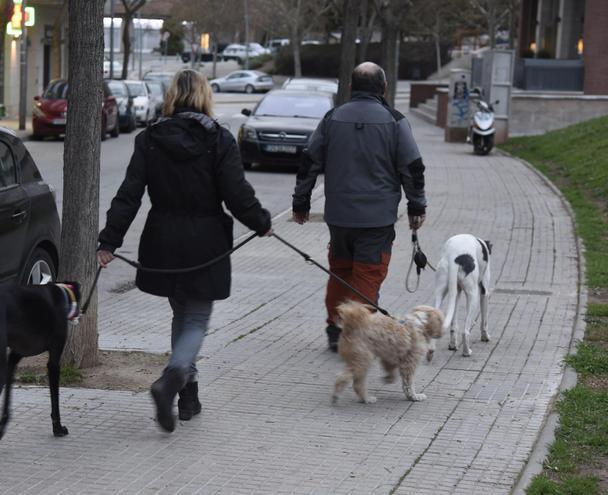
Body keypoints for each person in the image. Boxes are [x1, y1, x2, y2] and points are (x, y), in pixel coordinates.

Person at [96, 69, 272, 432]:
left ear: (172, 96)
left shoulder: (150, 138)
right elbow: (237, 193)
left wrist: (110, 240)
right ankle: (173, 377)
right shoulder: (219, 139)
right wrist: (261, 222)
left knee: (181, 313)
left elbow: (129, 194)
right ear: (206, 96)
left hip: (163, 239)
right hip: (205, 241)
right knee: (195, 318)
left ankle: (187, 394)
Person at [292, 62, 428, 353]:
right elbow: (412, 167)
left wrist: (300, 202)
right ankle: (356, 332)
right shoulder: (395, 121)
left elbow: (309, 162)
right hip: (376, 218)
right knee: (368, 272)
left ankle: (335, 326)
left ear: (351, 88)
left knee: (340, 270)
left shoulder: (332, 118)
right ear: (383, 88)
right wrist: (416, 206)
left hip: (339, 216)